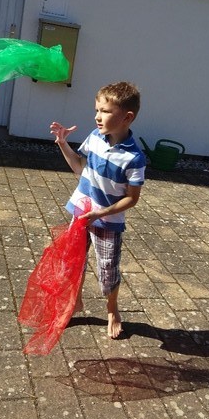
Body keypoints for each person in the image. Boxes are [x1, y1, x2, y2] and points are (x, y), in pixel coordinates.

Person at [50, 81, 146, 339]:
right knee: (73, 262)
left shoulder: (134, 158)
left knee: (107, 270)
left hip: (107, 222)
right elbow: (80, 168)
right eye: (97, 110)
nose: (97, 116)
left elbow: (132, 199)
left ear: (127, 117)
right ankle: (74, 302)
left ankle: (112, 309)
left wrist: (100, 214)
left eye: (105, 111)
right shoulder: (94, 138)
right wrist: (63, 143)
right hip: (81, 214)